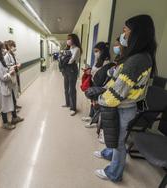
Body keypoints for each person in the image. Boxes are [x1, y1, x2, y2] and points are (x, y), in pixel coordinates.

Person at [94, 14, 157, 182]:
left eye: (126, 31)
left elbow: (117, 93)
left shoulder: (137, 60)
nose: (124, 35)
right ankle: (109, 153)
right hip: (125, 106)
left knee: (119, 142)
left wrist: (99, 98)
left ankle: (114, 173)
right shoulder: (140, 56)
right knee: (113, 136)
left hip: (124, 107)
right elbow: (120, 76)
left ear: (137, 33)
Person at [0, 41, 24, 129]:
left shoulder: (0, 60)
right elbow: (3, 77)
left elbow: (5, 70)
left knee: (11, 102)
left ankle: (14, 118)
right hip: (1, 89)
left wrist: (11, 69)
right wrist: (11, 72)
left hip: (7, 86)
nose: (4, 50)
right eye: (2, 49)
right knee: (4, 107)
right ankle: (5, 123)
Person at [83, 42, 112, 128]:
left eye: (97, 51)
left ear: (102, 51)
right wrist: (89, 70)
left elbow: (102, 75)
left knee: (96, 104)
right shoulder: (98, 61)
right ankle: (90, 116)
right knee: (92, 102)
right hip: (94, 83)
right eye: (94, 51)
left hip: (100, 85)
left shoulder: (106, 62)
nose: (95, 53)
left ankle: (95, 122)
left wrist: (92, 72)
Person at [62, 33, 82, 116]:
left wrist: (64, 58)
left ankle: (73, 108)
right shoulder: (68, 48)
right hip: (66, 69)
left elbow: (70, 60)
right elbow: (62, 58)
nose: (68, 40)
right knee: (66, 88)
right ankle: (67, 103)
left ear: (74, 40)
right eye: (67, 39)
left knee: (72, 89)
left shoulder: (77, 49)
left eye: (69, 39)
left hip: (72, 70)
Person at [4, 40, 23, 112]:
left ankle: (15, 105)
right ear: (8, 46)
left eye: (14, 46)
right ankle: (13, 109)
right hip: (11, 77)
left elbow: (16, 62)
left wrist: (18, 65)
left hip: (16, 74)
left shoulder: (13, 55)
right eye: (13, 46)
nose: (14, 47)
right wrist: (15, 66)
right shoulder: (6, 56)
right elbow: (7, 68)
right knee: (12, 93)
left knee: (15, 92)